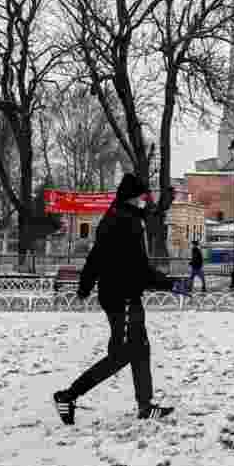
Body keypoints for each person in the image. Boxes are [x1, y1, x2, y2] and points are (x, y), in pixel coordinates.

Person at [53, 173, 178, 425]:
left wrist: (85, 287)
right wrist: (171, 283)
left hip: (118, 296)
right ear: (133, 198)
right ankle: (68, 395)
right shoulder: (126, 224)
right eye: (143, 197)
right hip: (123, 299)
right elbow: (139, 269)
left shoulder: (115, 217)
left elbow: (95, 257)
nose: (145, 201)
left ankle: (145, 406)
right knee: (121, 355)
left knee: (140, 350)